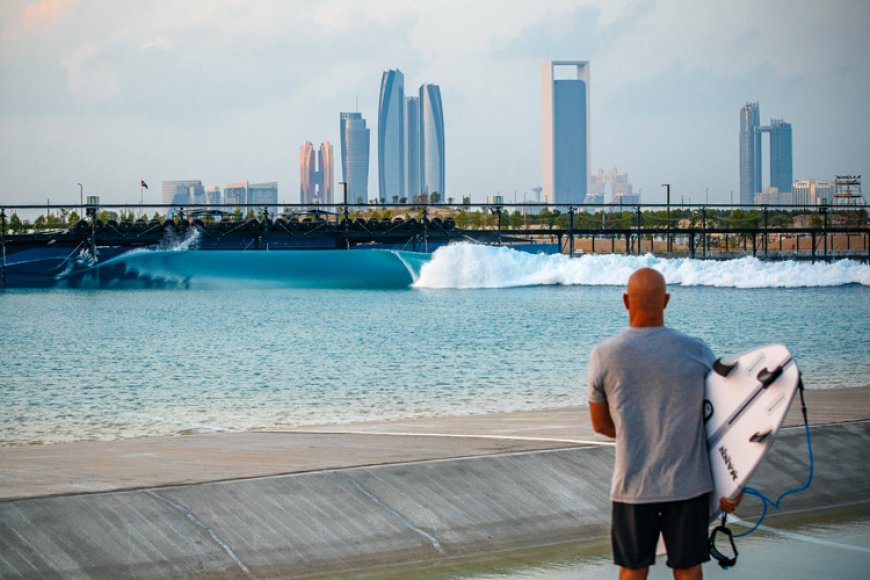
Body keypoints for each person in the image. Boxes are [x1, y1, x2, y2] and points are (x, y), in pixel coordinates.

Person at [588, 268, 740, 580]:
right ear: (667, 301)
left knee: (633, 569)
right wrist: (735, 484)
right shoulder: (696, 350)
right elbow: (726, 421)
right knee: (687, 569)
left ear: (625, 301)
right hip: (689, 487)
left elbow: (601, 425)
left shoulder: (604, 355)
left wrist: (636, 433)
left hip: (633, 487)